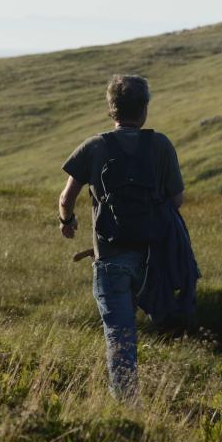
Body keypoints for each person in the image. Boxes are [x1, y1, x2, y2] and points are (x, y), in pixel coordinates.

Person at [58, 74, 185, 401]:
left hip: (110, 259)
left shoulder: (94, 146)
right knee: (162, 326)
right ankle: (168, 390)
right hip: (152, 257)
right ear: (143, 109)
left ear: (111, 109)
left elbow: (65, 198)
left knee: (120, 334)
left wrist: (67, 221)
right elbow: (176, 199)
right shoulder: (160, 144)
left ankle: (127, 404)